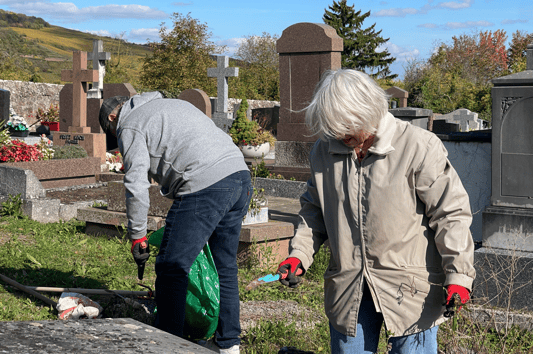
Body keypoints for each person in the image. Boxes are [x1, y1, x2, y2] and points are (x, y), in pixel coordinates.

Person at [276, 69, 476, 354]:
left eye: (346, 126)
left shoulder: (418, 146)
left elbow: (450, 214)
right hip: (348, 287)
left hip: (410, 291)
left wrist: (459, 276)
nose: (340, 135)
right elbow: (314, 210)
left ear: (367, 111)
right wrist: (299, 254)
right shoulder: (324, 150)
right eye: (332, 128)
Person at [99, 92, 251, 354]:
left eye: (114, 134)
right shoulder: (170, 105)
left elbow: (136, 184)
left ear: (113, 118)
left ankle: (169, 347)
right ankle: (228, 345)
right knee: (224, 266)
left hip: (205, 184)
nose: (119, 139)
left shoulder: (130, 124)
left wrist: (137, 235)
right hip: (239, 176)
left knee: (172, 267)